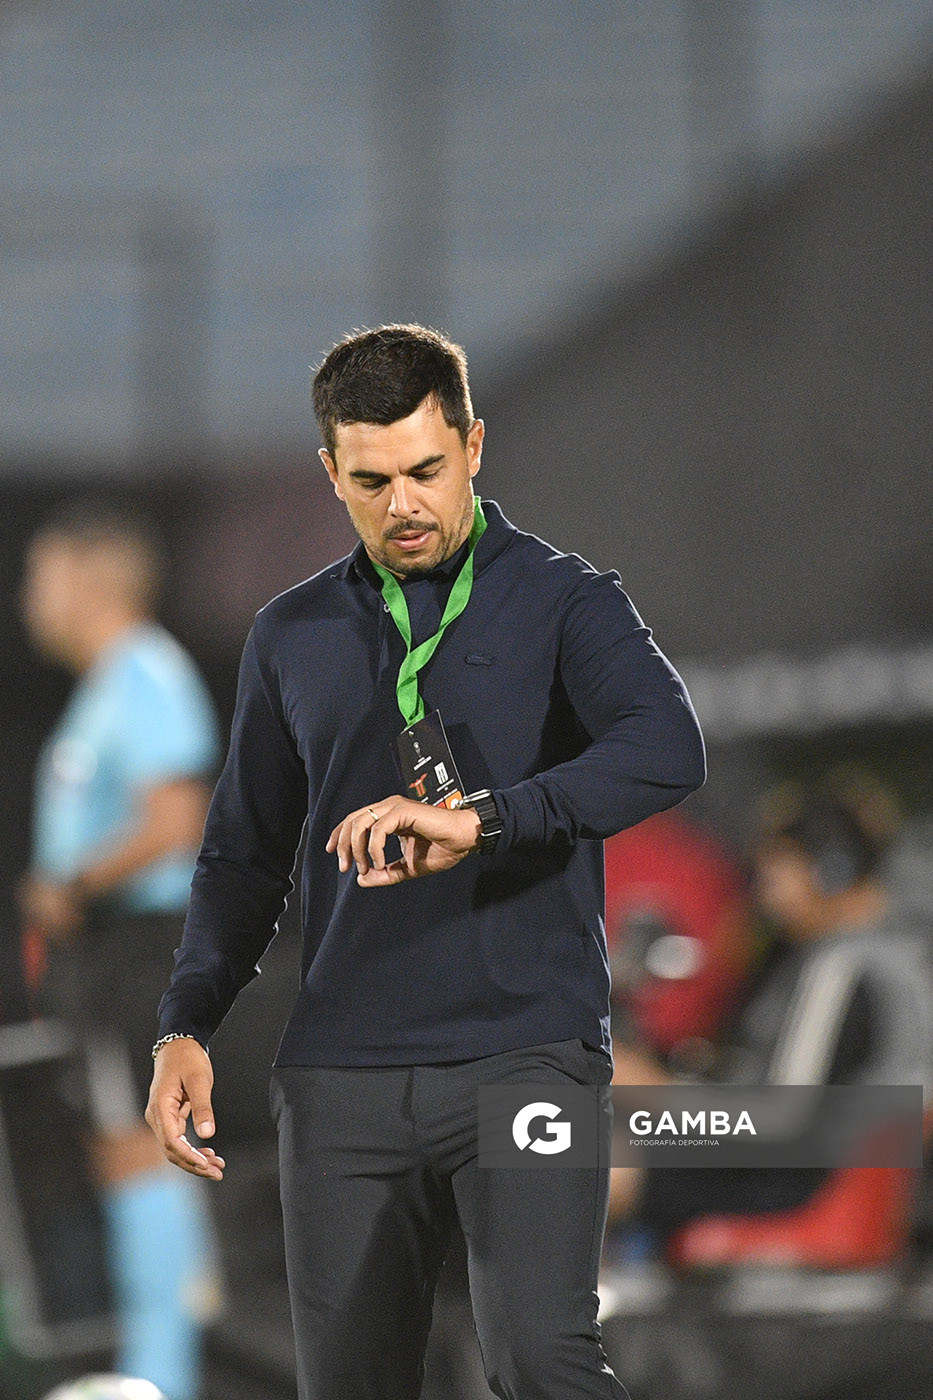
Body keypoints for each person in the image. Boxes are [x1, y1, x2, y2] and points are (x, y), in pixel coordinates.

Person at [146, 323, 707, 1400]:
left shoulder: (564, 598)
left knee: (541, 1356)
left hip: (526, 1051)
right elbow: (242, 851)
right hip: (344, 1073)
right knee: (350, 1383)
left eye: (424, 470)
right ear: (331, 473)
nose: (402, 503)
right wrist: (186, 1022)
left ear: (474, 445)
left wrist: (487, 818)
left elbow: (665, 747)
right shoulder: (291, 631)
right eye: (370, 480)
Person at [19, 501, 221, 1400]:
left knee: (146, 1147)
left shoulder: (144, 674)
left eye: (39, 574)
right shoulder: (109, 684)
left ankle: (165, 1373)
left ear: (86, 580)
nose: (28, 596)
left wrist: (70, 885)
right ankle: (157, 1362)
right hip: (114, 956)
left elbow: (176, 821)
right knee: (122, 1147)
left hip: (143, 948)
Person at [606, 768, 933, 1239]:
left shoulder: (841, 967)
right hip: (803, 1167)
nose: (765, 890)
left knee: (570, 1158)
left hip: (801, 1185)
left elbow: (782, 1121)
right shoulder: (882, 954)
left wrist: (652, 1097)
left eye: (778, 871)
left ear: (830, 871)